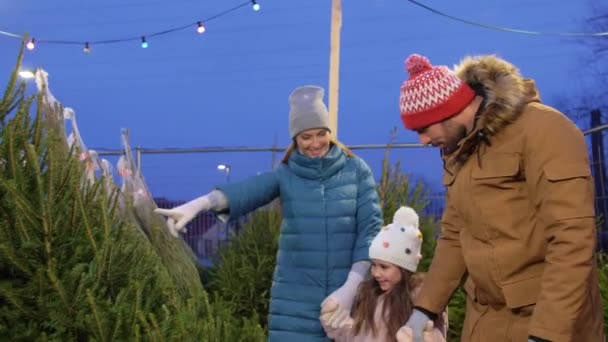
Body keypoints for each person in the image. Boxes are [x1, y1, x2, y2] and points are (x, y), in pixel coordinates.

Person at [397, 53, 604, 342]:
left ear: (448, 110)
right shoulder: (461, 151)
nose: (422, 141)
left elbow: (573, 237)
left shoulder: (545, 130)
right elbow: (456, 235)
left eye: (423, 128)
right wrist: (425, 309)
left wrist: (547, 333)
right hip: (485, 322)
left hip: (545, 318)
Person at [154, 85, 383, 341]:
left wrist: (350, 289)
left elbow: (370, 231)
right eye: (306, 137)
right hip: (294, 309)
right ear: (295, 138)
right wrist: (198, 204)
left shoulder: (356, 171)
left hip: (348, 305)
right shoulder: (286, 175)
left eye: (321, 134)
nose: (315, 143)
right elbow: (248, 190)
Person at [319, 206, 447, 342]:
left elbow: (436, 333)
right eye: (373, 265)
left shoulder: (422, 301)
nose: (376, 273)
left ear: (404, 268)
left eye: (384, 267)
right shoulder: (370, 295)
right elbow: (359, 336)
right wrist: (340, 326)